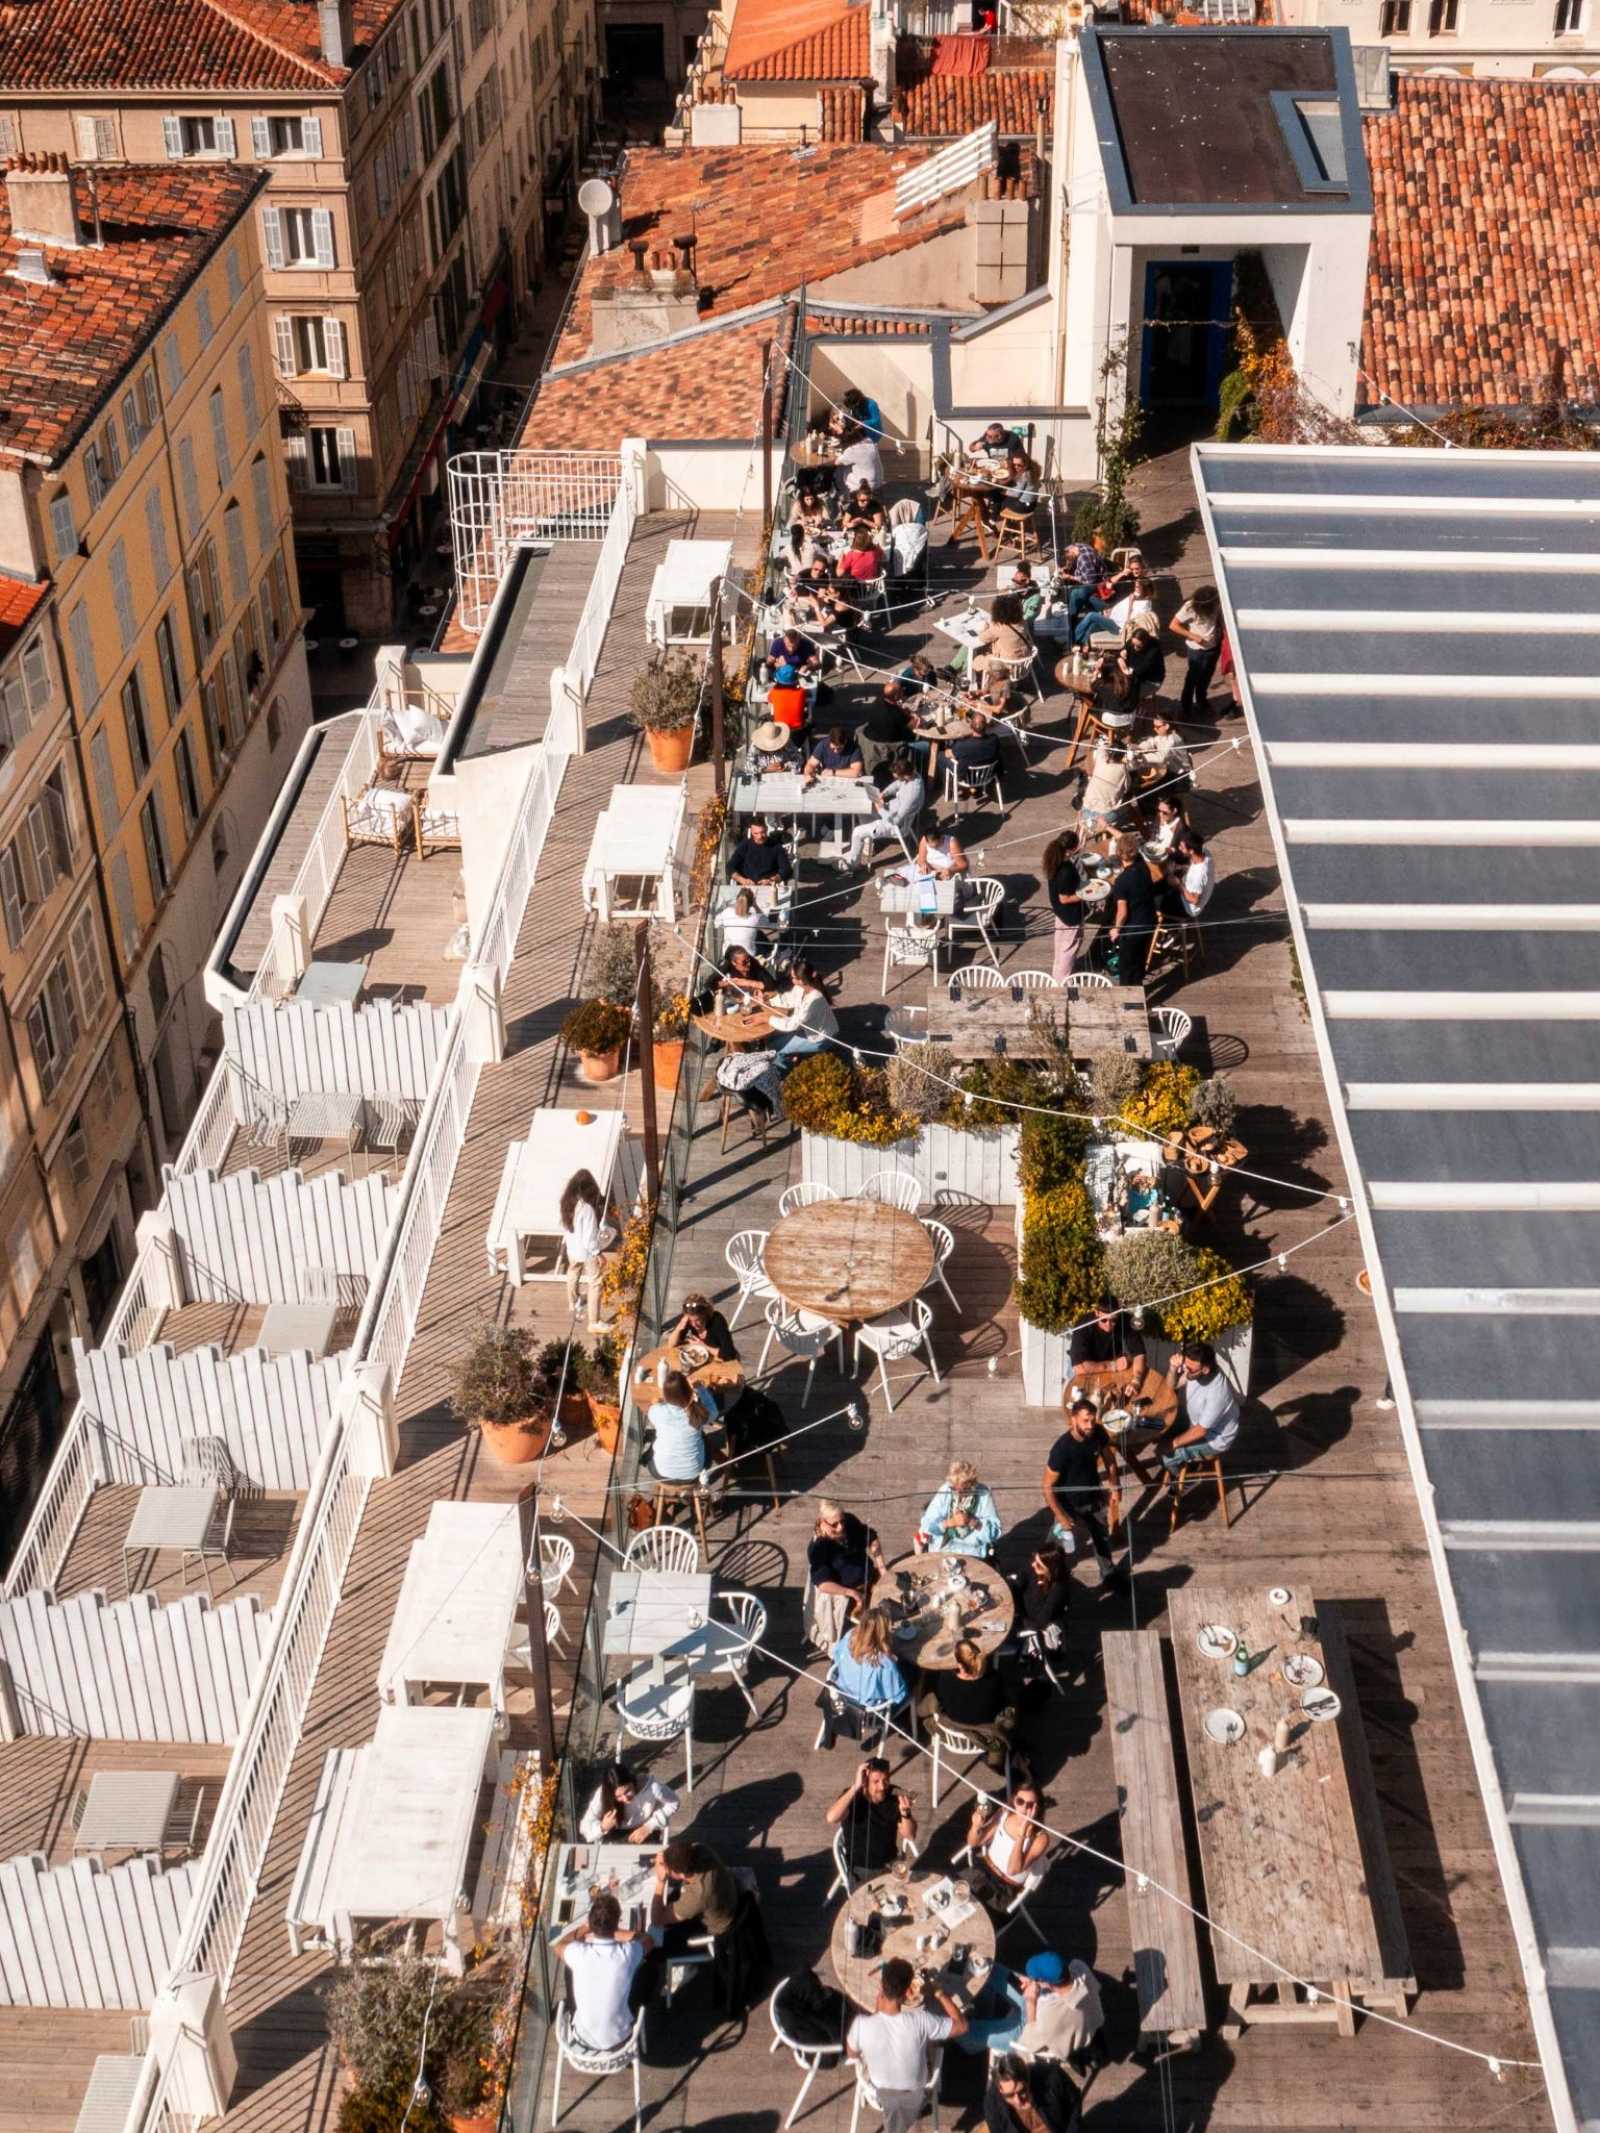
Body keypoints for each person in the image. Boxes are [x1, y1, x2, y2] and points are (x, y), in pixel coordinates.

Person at [846, 1955, 967, 2133]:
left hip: (878, 2093)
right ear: (907, 1991)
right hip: (918, 2093)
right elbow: (962, 2026)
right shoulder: (921, 2020)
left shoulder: (861, 2025)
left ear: (881, 1985)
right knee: (931, 2042)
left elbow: (852, 2055)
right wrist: (939, 1992)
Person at [1042, 1397, 1122, 1584]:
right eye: (1085, 1420)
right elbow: (1047, 1487)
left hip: (1094, 1498)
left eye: (1093, 1420)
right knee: (1054, 1547)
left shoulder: (1098, 1433)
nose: (1090, 1425)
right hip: (1068, 1505)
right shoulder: (1061, 1449)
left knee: (1101, 1538)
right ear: (1073, 1419)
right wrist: (1061, 1517)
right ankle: (1047, 1576)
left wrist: (1114, 1485)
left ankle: (1108, 1575)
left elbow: (1110, 1460)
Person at [555, 1891, 646, 2051]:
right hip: (621, 2041)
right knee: (647, 1971)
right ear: (618, 1922)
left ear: (591, 1921)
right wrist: (617, 1932)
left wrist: (584, 1928)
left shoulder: (578, 1953)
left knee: (569, 1970)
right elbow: (647, 1940)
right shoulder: (627, 1953)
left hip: (583, 2042)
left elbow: (559, 1945)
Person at [926, 1638, 1016, 1771]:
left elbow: (941, 1700)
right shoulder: (993, 1679)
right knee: (1011, 1707)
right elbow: (1000, 1704)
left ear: (960, 1665)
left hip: (953, 1729)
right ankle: (997, 1753)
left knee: (931, 1700)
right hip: (985, 1728)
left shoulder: (946, 1677)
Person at [808, 1499, 885, 1645]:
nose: (840, 1527)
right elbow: (823, 1584)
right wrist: (851, 1593)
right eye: (834, 1524)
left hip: (870, 1577)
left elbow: (871, 1536)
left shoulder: (849, 1521)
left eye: (841, 1521)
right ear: (822, 1521)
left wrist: (882, 1568)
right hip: (849, 1595)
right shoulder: (818, 1547)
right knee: (874, 1627)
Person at [825, 1756, 918, 1873]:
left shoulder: (894, 1795)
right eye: (876, 1781)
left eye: (886, 1780)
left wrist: (905, 1813)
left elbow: (910, 1836)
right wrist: (856, 1786)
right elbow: (831, 1818)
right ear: (865, 1782)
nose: (882, 1786)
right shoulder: (853, 1797)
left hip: (891, 1863)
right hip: (860, 1868)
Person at [1158, 1341, 1241, 1471]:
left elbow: (1201, 1431)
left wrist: (1173, 1444)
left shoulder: (1217, 1393)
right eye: (1185, 1366)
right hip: (1195, 1421)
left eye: (1189, 1369)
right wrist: (1173, 1368)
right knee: (1158, 1426)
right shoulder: (1193, 1370)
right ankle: (1184, 1464)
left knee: (1167, 1457)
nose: (1185, 1371)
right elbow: (1171, 1386)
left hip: (1214, 1438)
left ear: (1205, 1370)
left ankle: (1181, 1484)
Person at [650, 1838, 738, 1955]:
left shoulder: (698, 1896)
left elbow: (657, 1919)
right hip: (724, 1899)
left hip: (717, 1927)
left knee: (655, 1951)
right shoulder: (700, 1849)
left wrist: (661, 1881)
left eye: (668, 1869)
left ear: (681, 1874)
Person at [966, 1780, 1051, 1898]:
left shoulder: (1040, 1838)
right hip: (984, 1868)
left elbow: (1012, 1870)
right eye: (1020, 1801)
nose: (1024, 1808)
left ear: (1038, 1807)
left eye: (1030, 1805)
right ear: (1014, 1801)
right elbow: (974, 1842)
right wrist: (975, 1826)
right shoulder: (1005, 1812)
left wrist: (1021, 1836)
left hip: (1004, 1887)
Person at [828, 1605, 910, 1718]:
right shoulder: (883, 1663)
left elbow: (836, 1657)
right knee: (913, 1675)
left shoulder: (849, 1636)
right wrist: (892, 1660)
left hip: (842, 1693)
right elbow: (899, 1694)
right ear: (883, 1633)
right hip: (867, 1710)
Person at [559, 1169, 614, 1333]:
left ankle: (573, 1301)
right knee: (595, 1282)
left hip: (572, 1248)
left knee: (573, 1271)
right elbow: (589, 1238)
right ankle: (594, 1321)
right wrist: (599, 1254)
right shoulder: (586, 1209)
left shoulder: (566, 1202)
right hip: (586, 1251)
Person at [848, 755, 924, 870]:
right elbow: (897, 784)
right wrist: (884, 793)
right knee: (862, 807)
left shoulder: (912, 794)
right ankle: (869, 836)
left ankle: (853, 865)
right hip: (891, 810)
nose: (897, 780)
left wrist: (881, 809)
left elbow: (896, 820)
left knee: (857, 832)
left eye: (899, 777)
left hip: (895, 825)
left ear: (906, 776)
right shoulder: (914, 775)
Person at [914, 1458, 1001, 1557]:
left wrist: (972, 1522)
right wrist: (950, 1522)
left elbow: (995, 1533)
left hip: (972, 1553)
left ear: (972, 1486)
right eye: (954, 1489)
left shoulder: (983, 1493)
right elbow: (927, 1525)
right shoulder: (946, 1489)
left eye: (964, 1490)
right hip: (942, 1550)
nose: (958, 1493)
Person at [1105, 828, 1160, 984]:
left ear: (1119, 853)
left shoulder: (1122, 881)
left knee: (1126, 968)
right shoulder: (1142, 864)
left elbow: (1122, 911)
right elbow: (1126, 842)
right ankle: (1139, 993)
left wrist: (1116, 929)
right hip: (1149, 921)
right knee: (1139, 962)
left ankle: (1128, 1000)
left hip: (1132, 930)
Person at [579, 1759, 679, 1844]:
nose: (625, 1798)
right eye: (618, 1796)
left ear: (632, 1781)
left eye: (628, 1791)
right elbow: (584, 1826)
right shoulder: (602, 1794)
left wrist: (649, 1826)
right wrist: (603, 1827)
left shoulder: (653, 1789)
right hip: (616, 1833)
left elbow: (674, 1803)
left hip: (644, 1828)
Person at [646, 1367, 716, 1483]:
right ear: (689, 1391)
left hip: (662, 1473)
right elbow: (714, 1411)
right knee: (704, 1439)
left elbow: (653, 1412)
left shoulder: (656, 1411)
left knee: (655, 1441)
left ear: (665, 1394)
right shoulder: (697, 1413)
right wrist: (701, 1389)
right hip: (693, 1473)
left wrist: (657, 1403)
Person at [768, 956, 838, 1068]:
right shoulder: (801, 988)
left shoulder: (815, 999)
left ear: (802, 979)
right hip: (810, 1030)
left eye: (794, 978)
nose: (792, 980)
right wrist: (769, 1000)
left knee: (774, 1047)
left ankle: (785, 1071)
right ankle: (792, 1054)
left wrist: (767, 1019)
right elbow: (788, 999)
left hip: (822, 1038)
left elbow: (793, 1024)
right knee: (773, 1038)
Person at [985, 2052, 1081, 2133]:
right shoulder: (992, 2104)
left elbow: (1074, 2104)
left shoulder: (1053, 2077)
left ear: (1028, 2078)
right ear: (1000, 2090)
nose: (1018, 2100)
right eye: (1009, 2096)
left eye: (1022, 2091)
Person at [1169, 584, 1223, 719]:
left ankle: (1202, 702)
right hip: (1196, 650)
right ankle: (1186, 708)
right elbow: (1173, 625)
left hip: (1213, 647)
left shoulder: (1217, 603)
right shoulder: (1190, 606)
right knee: (1191, 680)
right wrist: (1193, 636)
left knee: (1206, 678)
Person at [1043, 831, 1086, 983]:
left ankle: (1058, 976)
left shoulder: (1054, 859)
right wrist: (1085, 895)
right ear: (1072, 848)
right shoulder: (1066, 870)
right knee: (1068, 949)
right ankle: (1061, 982)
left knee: (1060, 948)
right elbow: (1065, 898)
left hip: (1060, 913)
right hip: (1069, 915)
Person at [1069, 1297, 1146, 1381]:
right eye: (1104, 1320)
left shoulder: (1125, 1320)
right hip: (1087, 1372)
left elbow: (1139, 1353)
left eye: (1113, 1320)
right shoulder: (1083, 1324)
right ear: (1097, 1313)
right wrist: (1113, 1366)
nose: (1108, 1325)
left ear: (1118, 1315)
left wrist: (1136, 1381)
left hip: (1111, 1366)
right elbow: (1079, 1368)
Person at [970, 596, 1032, 688]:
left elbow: (982, 638)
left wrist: (986, 627)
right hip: (1023, 665)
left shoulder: (998, 629)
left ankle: (976, 683)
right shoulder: (1022, 622)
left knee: (976, 660)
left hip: (1005, 667)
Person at [667, 1292, 740, 1363]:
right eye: (691, 1320)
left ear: (705, 1315)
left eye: (698, 1320)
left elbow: (729, 1354)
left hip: (724, 1361)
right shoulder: (688, 1320)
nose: (694, 1325)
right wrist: (679, 1327)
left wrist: (703, 1346)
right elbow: (671, 1344)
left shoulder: (717, 1321)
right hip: (706, 1361)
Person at [729, 818, 793, 890]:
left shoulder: (776, 846)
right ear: (751, 832)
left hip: (768, 886)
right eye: (756, 833)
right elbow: (730, 867)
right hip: (747, 886)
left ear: (766, 829)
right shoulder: (745, 845)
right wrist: (742, 880)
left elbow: (786, 869)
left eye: (762, 832)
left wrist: (772, 880)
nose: (760, 836)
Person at [1079, 740, 1129, 830]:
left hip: (1085, 811)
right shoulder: (1122, 769)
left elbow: (1101, 748)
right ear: (1122, 756)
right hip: (1103, 818)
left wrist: (1106, 744)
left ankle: (1086, 828)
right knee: (1128, 807)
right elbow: (1127, 787)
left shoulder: (1100, 760)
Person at [1176, 825, 1215, 916]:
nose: (1179, 848)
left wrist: (1178, 885)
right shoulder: (1205, 853)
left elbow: (1194, 900)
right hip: (1190, 888)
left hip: (1188, 909)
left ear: (1191, 851)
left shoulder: (1199, 875)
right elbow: (1192, 864)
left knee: (1159, 900)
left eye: (1182, 847)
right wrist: (1181, 867)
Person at [837, 423, 884, 494]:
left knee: (841, 470)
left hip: (864, 485)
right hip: (878, 481)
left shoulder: (852, 450)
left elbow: (837, 462)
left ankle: (844, 493)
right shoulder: (870, 442)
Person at [766, 662, 809, 733]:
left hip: (779, 727)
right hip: (798, 728)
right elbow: (806, 695)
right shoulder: (801, 692)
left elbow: (769, 701)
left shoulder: (774, 692)